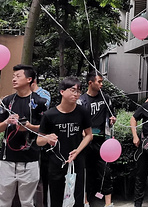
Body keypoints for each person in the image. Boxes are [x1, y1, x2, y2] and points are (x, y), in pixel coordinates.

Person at [0, 64, 47, 207]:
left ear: (29, 79)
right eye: (13, 76)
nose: (14, 79)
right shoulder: (7, 102)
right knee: (3, 201)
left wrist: (29, 127)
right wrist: (7, 121)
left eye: (18, 76)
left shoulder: (40, 102)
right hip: (7, 159)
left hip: (30, 160)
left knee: (27, 202)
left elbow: (45, 130)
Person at [37, 77, 93, 207]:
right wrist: (47, 139)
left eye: (79, 91)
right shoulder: (49, 115)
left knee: (77, 200)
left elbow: (89, 135)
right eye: (73, 90)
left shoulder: (82, 112)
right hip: (56, 164)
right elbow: (38, 141)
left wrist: (77, 151)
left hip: (76, 163)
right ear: (62, 91)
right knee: (56, 199)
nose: (76, 94)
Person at [78, 71, 117, 207]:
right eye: (99, 81)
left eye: (102, 81)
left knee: (106, 171)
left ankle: (108, 203)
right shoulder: (81, 100)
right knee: (85, 171)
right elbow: (77, 121)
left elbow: (112, 116)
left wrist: (112, 120)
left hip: (103, 141)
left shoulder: (106, 98)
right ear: (90, 83)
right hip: (86, 142)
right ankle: (85, 201)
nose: (101, 84)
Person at [31, 76, 51, 207]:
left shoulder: (43, 95)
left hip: (40, 140)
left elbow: (44, 119)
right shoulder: (17, 97)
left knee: (40, 178)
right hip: (24, 141)